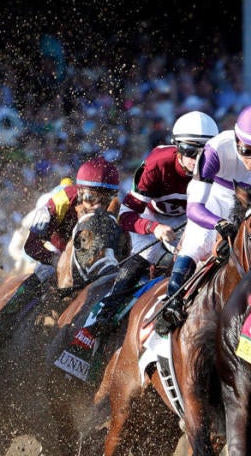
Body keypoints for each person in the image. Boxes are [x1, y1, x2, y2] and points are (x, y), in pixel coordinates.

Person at [155, 103, 251, 335]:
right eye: (247, 150)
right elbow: (195, 209)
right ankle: (172, 302)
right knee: (199, 242)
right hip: (213, 199)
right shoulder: (216, 148)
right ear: (236, 139)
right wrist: (219, 224)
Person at [84, 111, 218, 334]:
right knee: (146, 257)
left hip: (190, 218)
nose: (197, 161)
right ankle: (104, 316)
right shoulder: (156, 164)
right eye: (190, 152)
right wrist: (153, 228)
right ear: (176, 147)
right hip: (151, 216)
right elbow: (126, 215)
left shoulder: (216, 167)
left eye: (204, 154)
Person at [0, 157, 121, 330]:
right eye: (90, 197)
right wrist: (57, 261)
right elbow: (31, 246)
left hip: (90, 259)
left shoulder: (117, 211)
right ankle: (2, 321)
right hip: (58, 250)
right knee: (44, 272)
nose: (98, 208)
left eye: (105, 200)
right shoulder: (61, 200)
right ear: (79, 192)